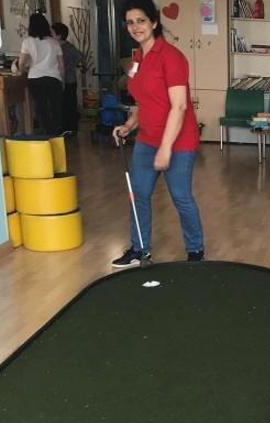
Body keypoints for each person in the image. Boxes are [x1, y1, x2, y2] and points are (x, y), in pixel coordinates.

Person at [111, 0, 203, 268]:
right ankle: (140, 249)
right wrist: (129, 125)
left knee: (181, 197)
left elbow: (179, 105)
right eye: (130, 22)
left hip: (179, 141)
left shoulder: (171, 57)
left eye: (141, 20)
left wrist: (165, 148)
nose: (135, 27)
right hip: (147, 139)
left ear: (153, 22)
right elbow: (144, 103)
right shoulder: (137, 59)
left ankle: (196, 252)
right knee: (138, 193)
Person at [19, 13, 64, 136]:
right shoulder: (54, 42)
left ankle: (45, 134)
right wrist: (62, 80)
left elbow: (22, 62)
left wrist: (21, 71)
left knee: (41, 107)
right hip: (54, 78)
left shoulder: (27, 42)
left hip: (35, 78)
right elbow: (61, 65)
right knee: (55, 107)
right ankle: (55, 134)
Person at [52, 22, 82, 135]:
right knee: (67, 104)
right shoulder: (64, 46)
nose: (50, 35)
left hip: (68, 79)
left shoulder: (66, 47)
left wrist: (71, 65)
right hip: (66, 79)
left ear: (59, 35)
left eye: (52, 33)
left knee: (68, 104)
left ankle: (70, 128)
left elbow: (80, 59)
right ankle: (68, 128)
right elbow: (79, 58)